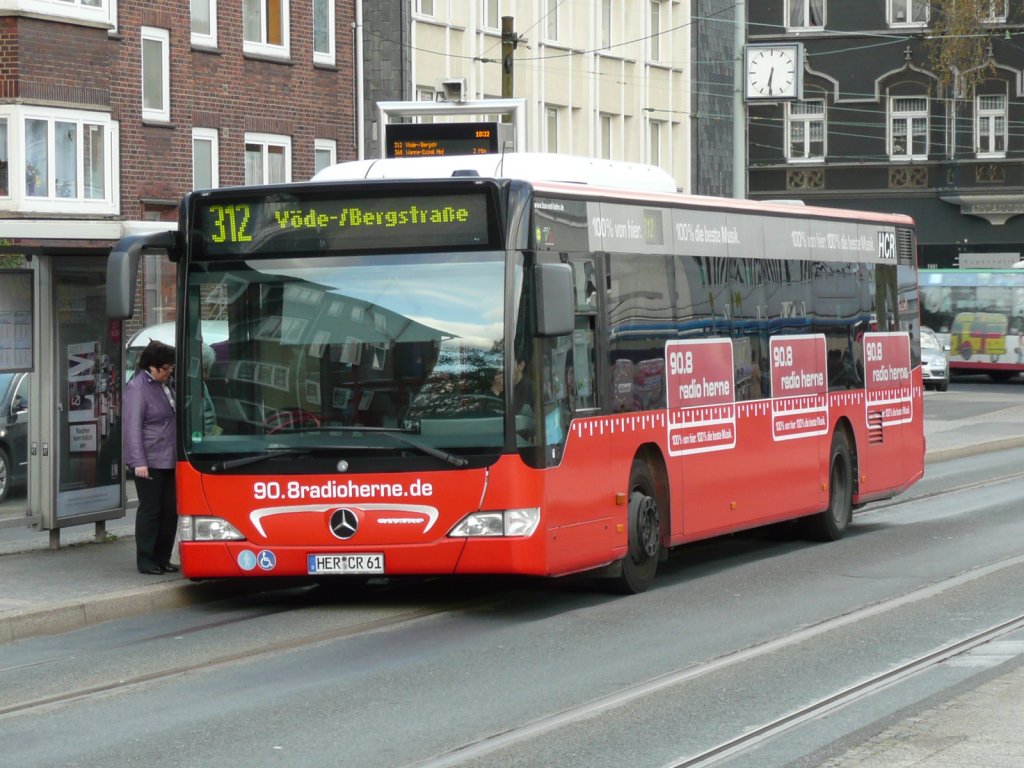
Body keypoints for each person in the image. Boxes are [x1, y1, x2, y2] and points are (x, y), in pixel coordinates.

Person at [123, 340, 179, 575]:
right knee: (151, 511)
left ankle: (162, 557)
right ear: (152, 367)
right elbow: (132, 427)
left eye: (170, 368)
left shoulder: (164, 385)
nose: (168, 372)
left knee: (169, 511)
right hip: (150, 460)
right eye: (165, 368)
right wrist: (138, 462)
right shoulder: (137, 388)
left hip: (170, 457)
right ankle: (146, 559)